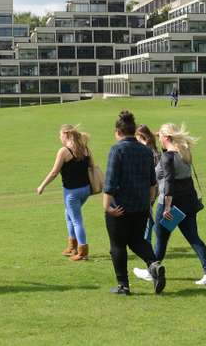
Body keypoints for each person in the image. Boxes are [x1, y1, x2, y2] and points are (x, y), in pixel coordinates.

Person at [133, 123, 206, 285]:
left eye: (160, 137)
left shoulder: (168, 157)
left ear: (167, 137)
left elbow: (169, 183)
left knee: (161, 238)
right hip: (188, 203)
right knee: (193, 238)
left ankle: (152, 271)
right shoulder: (184, 154)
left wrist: (166, 207)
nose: (159, 140)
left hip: (170, 204)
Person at [103, 110, 166, 295]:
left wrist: (107, 206)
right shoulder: (146, 151)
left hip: (120, 207)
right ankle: (154, 264)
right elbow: (152, 182)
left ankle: (123, 285)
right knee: (137, 240)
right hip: (141, 206)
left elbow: (110, 182)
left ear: (118, 132)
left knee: (117, 245)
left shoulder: (117, 150)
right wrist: (149, 203)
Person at [35, 124, 95, 261]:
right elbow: (91, 165)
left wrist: (42, 186)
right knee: (69, 215)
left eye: (60, 135)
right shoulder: (84, 148)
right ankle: (72, 247)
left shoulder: (64, 151)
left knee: (76, 220)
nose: (59, 137)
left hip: (72, 193)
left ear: (66, 135)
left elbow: (55, 172)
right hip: (85, 190)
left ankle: (82, 252)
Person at [135, 124, 161, 244]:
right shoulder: (152, 149)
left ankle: (147, 240)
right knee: (147, 214)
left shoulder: (148, 151)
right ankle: (147, 239)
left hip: (150, 188)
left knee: (147, 215)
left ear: (141, 136)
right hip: (153, 188)